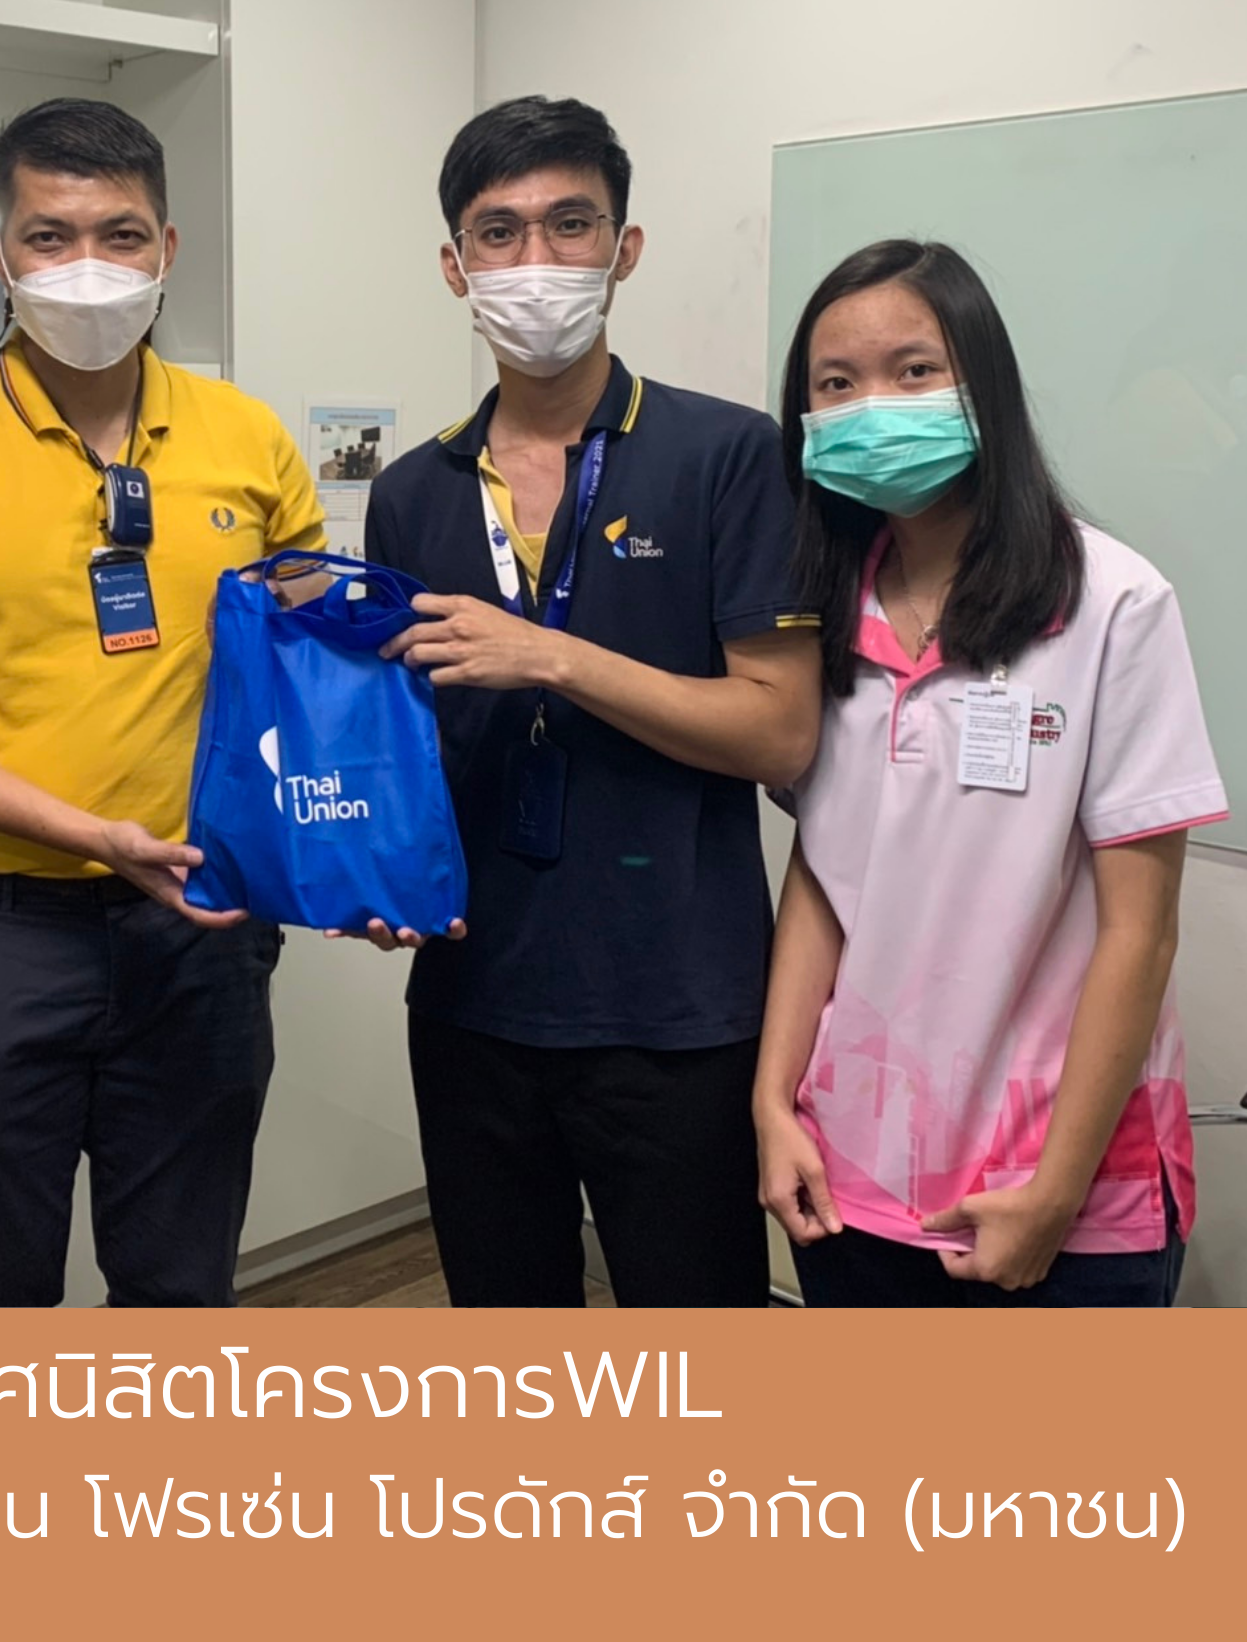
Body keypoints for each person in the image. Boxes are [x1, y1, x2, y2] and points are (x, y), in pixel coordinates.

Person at [0, 96, 325, 1309]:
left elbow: (308, 677)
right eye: (49, 236)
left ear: (166, 247)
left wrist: (354, 857)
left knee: (181, 1287)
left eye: (120, 234)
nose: (87, 265)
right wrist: (92, 836)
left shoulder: (246, 438)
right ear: (0, 254)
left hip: (199, 925)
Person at [364, 96, 821, 1308]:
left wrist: (554, 658)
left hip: (673, 1007)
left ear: (623, 250)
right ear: (455, 266)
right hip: (472, 996)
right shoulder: (412, 492)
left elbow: (779, 730)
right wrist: (369, 869)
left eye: (569, 225)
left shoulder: (725, 456)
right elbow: (408, 748)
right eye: (498, 232)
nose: (535, 260)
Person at [754, 240, 1226, 1308]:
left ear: (984, 386)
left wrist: (1055, 1193)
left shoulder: (1111, 604)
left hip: (1061, 1191)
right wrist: (772, 1103)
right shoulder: (822, 611)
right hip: (850, 1169)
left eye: (913, 370)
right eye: (836, 384)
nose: (874, 407)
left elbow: (1140, 931)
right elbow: (826, 877)